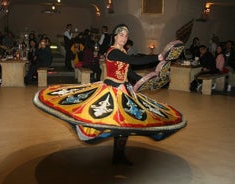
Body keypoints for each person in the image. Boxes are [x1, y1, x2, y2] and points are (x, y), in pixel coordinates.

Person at [33, 24, 186, 166]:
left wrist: (145, 81)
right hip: (111, 91)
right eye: (121, 35)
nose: (124, 38)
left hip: (124, 91)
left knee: (125, 124)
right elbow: (134, 60)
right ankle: (117, 155)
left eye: (126, 36)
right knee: (106, 119)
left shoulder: (123, 52)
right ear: (115, 36)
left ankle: (118, 156)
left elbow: (129, 72)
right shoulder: (113, 52)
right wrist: (158, 57)